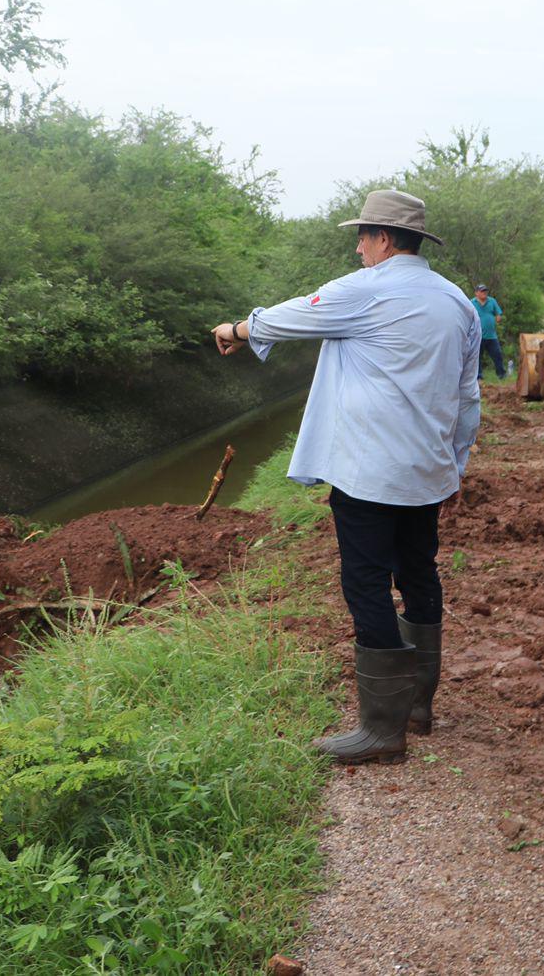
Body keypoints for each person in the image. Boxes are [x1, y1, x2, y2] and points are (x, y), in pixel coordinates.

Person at [211, 189, 480, 765]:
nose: (358, 247)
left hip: (369, 472)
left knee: (365, 582)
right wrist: (454, 466)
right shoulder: (457, 302)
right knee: (418, 574)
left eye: (362, 236)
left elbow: (288, 319)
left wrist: (236, 329)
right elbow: (468, 397)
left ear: (384, 239)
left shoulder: (363, 291)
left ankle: (382, 730)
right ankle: (417, 706)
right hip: (426, 470)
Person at [472, 283, 505, 379]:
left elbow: (498, 313)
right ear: (476, 293)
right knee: (477, 357)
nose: (484, 293)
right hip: (477, 335)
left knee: (497, 354)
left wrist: (498, 317)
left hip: (491, 335)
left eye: (485, 291)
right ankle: (478, 376)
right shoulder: (472, 303)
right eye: (482, 291)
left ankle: (501, 374)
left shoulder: (492, 301)